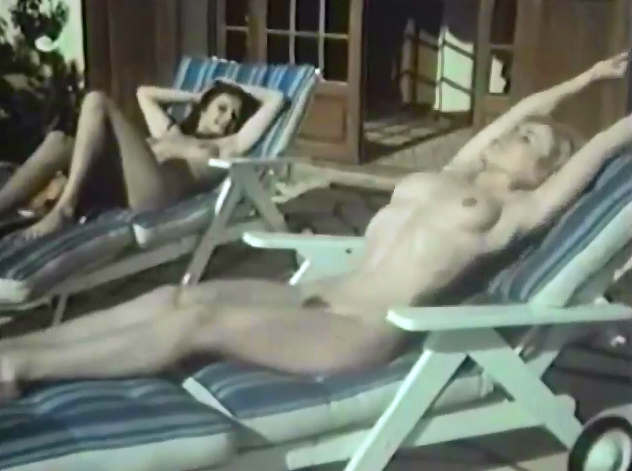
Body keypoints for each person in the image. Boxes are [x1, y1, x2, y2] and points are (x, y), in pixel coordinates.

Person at [1, 52, 630, 401]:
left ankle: (23, 372)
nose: (513, 134)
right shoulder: (456, 173)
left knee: (197, 323)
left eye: (530, 141)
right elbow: (522, 109)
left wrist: (610, 125)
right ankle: (13, 351)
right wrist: (586, 77)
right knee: (176, 297)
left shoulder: (515, 213)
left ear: (544, 172)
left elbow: (603, 144)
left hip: (357, 330)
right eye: (519, 130)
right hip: (317, 293)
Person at [0, 79, 285, 238]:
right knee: (58, 142)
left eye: (234, 116)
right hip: (122, 187)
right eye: (221, 108)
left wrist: (230, 87)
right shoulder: (170, 131)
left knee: (97, 101)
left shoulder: (227, 146)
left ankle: (65, 208)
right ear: (204, 107)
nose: (227, 119)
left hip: (156, 195)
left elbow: (276, 98)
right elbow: (144, 93)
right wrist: (196, 95)